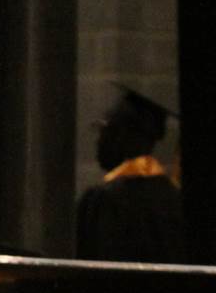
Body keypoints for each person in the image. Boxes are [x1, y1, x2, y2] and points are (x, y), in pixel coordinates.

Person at [75, 85, 186, 263]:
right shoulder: (175, 199)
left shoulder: (103, 200)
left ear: (122, 134)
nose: (99, 140)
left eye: (105, 128)